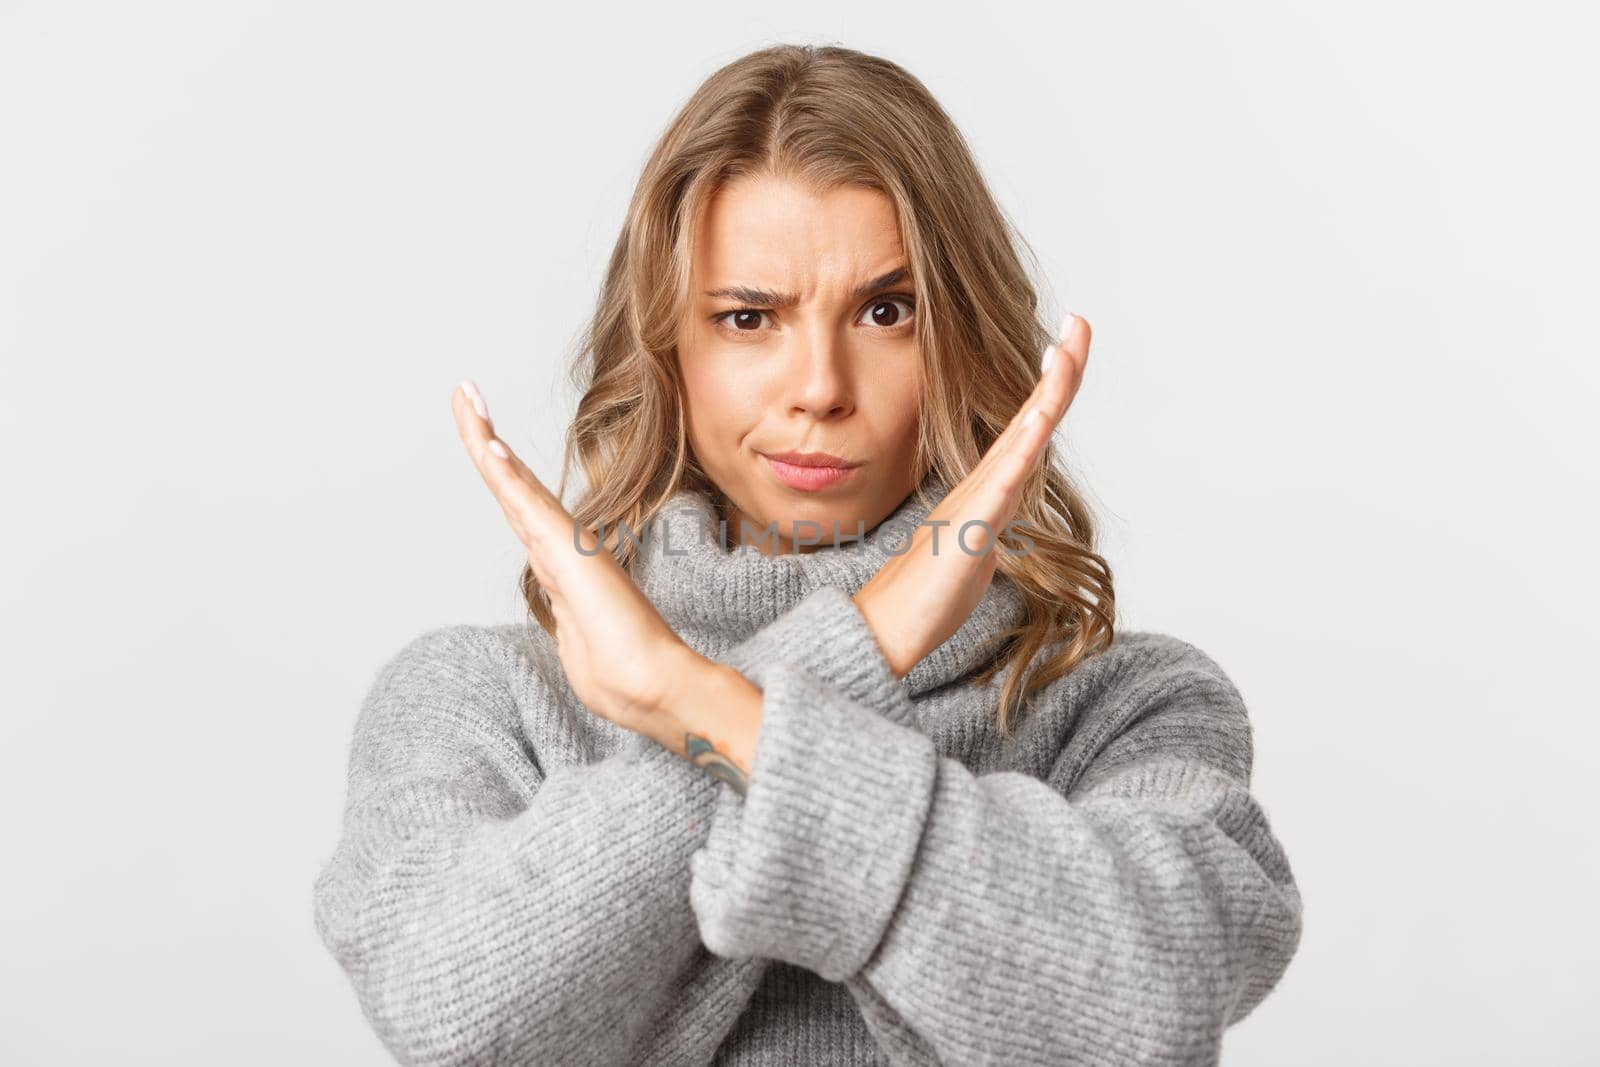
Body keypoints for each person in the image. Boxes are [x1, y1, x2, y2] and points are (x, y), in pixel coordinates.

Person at [311, 43, 1303, 1066]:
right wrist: (865, 641)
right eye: (749, 318)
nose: (819, 384)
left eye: (886, 311)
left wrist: (699, 706)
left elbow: (1142, 1018)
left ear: (960, 335)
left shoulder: (1124, 705)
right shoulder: (481, 697)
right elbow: (459, 1021)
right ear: (666, 351)